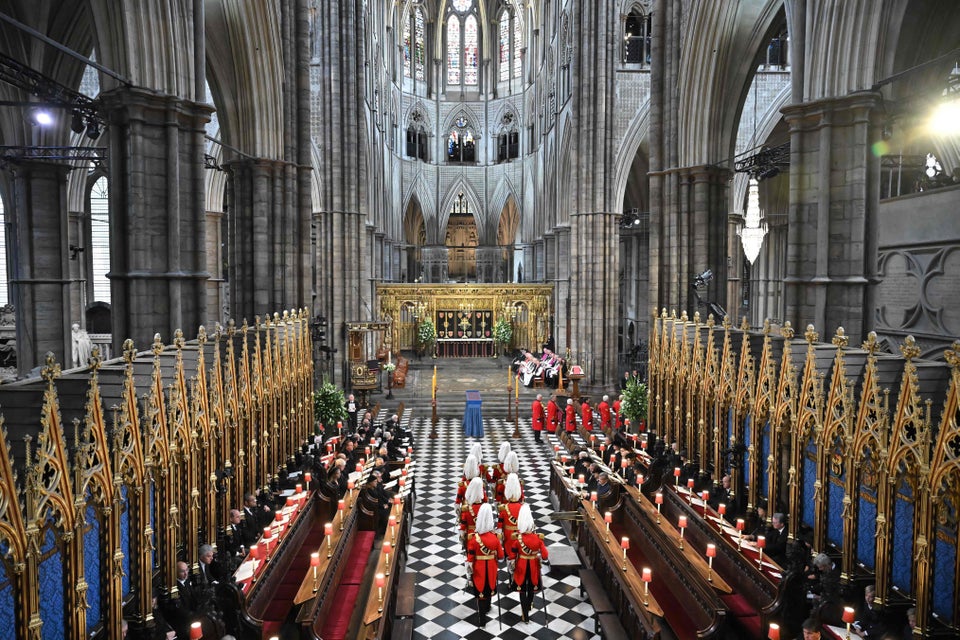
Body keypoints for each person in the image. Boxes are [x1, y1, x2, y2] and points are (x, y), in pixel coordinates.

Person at [466, 503, 504, 624]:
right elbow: (501, 557)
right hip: (492, 567)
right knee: (489, 587)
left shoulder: (473, 539)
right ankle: (487, 607)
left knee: (480, 589)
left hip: (478, 568)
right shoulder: (495, 538)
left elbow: (470, 558)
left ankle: (482, 618)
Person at [512, 504, 549, 623]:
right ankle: (529, 605)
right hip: (533, 565)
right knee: (532, 586)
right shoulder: (538, 538)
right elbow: (545, 555)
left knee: (522, 589)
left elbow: (512, 555)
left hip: (521, 564)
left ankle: (525, 615)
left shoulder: (518, 539)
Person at [808, 552, 842, 625]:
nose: (820, 569)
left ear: (827, 565)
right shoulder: (826, 570)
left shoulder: (837, 573)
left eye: (821, 567)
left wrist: (820, 597)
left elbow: (834, 593)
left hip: (832, 603)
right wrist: (811, 589)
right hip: (823, 597)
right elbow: (822, 584)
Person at [498, 474, 525, 559]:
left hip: (508, 534)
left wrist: (499, 535)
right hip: (520, 533)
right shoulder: (523, 508)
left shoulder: (504, 508)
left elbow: (499, 525)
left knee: (509, 553)